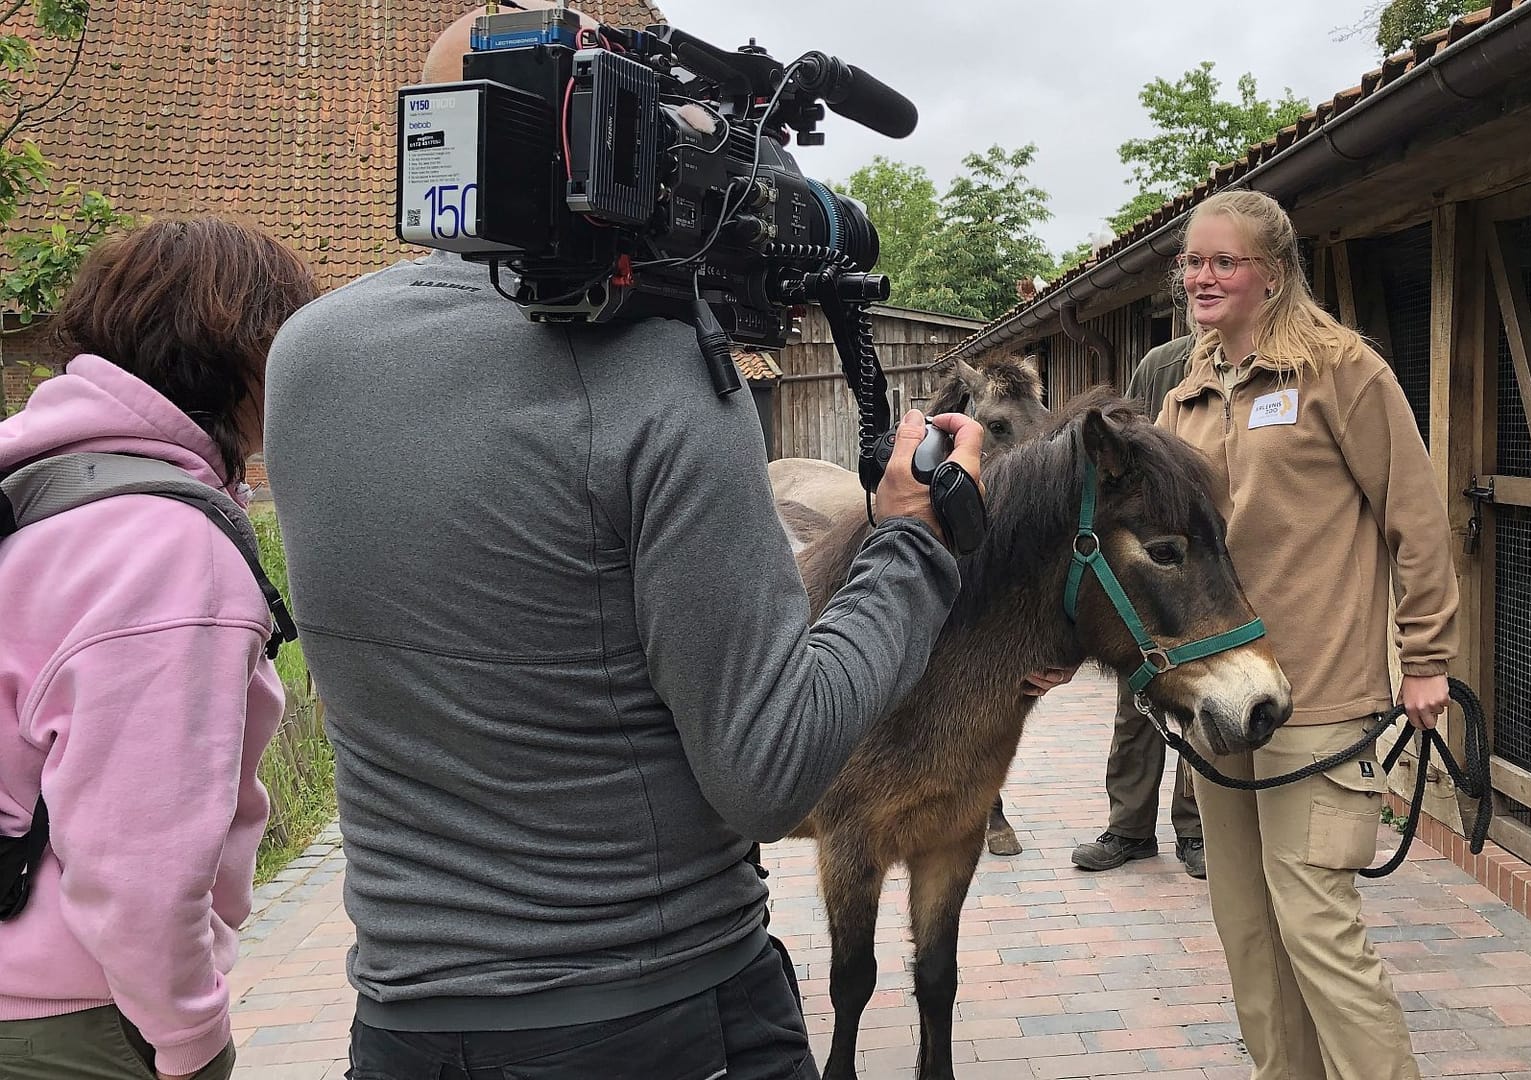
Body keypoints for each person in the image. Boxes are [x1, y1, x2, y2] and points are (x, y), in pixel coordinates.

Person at [261, 8, 986, 1079]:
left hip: (403, 1025)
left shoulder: (307, 355)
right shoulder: (658, 380)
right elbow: (769, 771)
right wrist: (914, 548)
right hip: (656, 1015)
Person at [0, 217, 319, 1080]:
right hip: (77, 1017)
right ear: (253, 358)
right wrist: (188, 1037)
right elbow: (139, 862)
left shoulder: (38, 488)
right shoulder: (164, 548)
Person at [1158, 190, 1458, 1080]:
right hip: (1219, 699)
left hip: (1322, 695)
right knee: (1247, 931)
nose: (1202, 278)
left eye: (1225, 261)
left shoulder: (1340, 372)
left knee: (1316, 926)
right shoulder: (1187, 394)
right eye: (1193, 262)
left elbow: (1417, 518)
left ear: (1275, 273)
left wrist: (1428, 658)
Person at [1068, 332, 1209, 880]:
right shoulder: (1160, 365)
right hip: (1155, 567)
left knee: (1199, 705)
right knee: (1137, 703)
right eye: (1196, 263)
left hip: (1210, 567)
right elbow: (1123, 451)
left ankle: (1195, 831)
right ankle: (1129, 828)